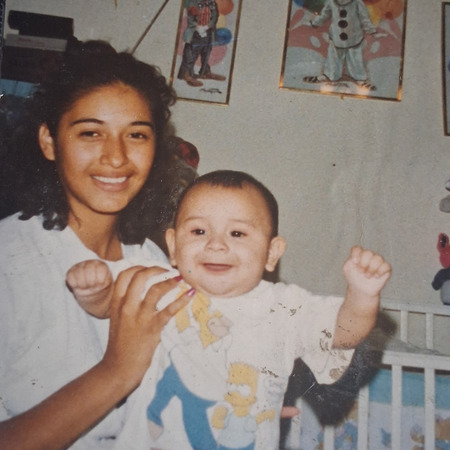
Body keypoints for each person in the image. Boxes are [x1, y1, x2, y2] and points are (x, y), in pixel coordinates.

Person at [66, 170, 392, 449]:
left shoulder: (284, 306)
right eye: (199, 231)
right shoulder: (160, 287)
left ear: (271, 253)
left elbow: (343, 334)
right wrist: (95, 291)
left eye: (237, 233)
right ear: (174, 246)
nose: (216, 244)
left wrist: (362, 295)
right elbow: (110, 307)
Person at [0, 40, 196, 449]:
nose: (116, 157)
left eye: (136, 135)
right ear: (49, 141)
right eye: (91, 133)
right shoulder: (10, 259)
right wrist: (117, 371)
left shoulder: (152, 259)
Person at [303, 0, 377, 90]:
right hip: (336, 36)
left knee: (355, 58)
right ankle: (329, 75)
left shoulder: (357, 2)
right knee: (333, 57)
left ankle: (360, 79)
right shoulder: (331, 2)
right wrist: (315, 23)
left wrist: (370, 30)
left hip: (354, 37)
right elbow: (325, 15)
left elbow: (364, 18)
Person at [177, 0, 227, 87]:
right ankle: (186, 74)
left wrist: (208, 26)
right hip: (195, 32)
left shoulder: (212, 3)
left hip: (208, 31)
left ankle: (205, 72)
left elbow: (215, 16)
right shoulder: (193, 3)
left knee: (206, 52)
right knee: (191, 54)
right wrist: (198, 28)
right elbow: (191, 18)